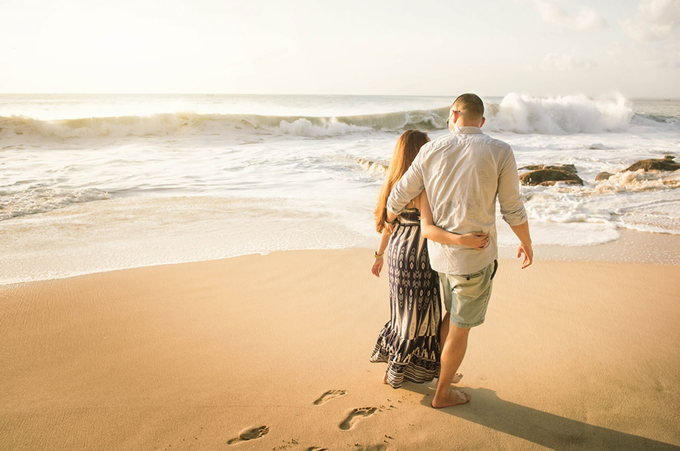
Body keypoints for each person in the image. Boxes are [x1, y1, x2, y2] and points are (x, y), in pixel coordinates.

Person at [386, 93, 532, 408]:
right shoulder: (499, 151)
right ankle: (442, 394)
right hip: (475, 259)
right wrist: (526, 241)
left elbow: (397, 197)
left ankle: (444, 376)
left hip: (440, 258)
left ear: (453, 115)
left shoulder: (430, 150)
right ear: (481, 121)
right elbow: (512, 208)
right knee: (460, 329)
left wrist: (388, 221)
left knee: (452, 316)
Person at [370, 129, 490, 389]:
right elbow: (428, 228)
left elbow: (387, 226)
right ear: (419, 152)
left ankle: (399, 367)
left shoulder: (393, 183)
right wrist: (464, 239)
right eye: (427, 145)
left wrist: (379, 255)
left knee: (403, 314)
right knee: (423, 316)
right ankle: (426, 371)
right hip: (419, 255)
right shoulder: (422, 186)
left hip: (397, 254)